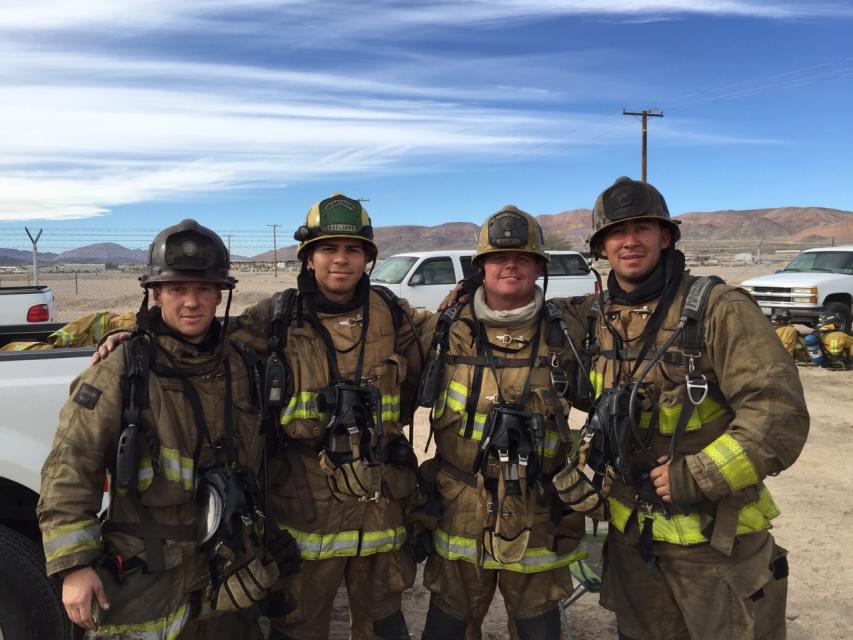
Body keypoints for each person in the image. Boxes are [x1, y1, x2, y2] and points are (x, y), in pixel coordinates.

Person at [552, 177, 810, 639]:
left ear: (665, 236)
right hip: (633, 543)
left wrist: (699, 474)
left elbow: (777, 414)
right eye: (616, 232)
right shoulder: (594, 317)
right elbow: (524, 316)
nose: (630, 240)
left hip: (717, 546)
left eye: (642, 228)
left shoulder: (717, 308)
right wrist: (469, 292)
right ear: (602, 247)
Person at [37, 219, 296, 639]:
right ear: (157, 295)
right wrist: (75, 566)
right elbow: (71, 465)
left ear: (219, 295)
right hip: (146, 576)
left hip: (228, 572)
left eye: (203, 290)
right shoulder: (122, 370)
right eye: (177, 290)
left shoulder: (242, 365)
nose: (191, 303)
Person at [228, 194, 431, 640]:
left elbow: (455, 333)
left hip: (380, 516)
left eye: (353, 249)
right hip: (305, 514)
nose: (341, 260)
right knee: (297, 628)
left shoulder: (393, 315)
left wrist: (471, 296)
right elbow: (202, 334)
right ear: (309, 258)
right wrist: (126, 329)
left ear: (368, 259)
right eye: (328, 249)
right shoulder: (277, 319)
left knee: (384, 628)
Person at [416, 206, 590, 640]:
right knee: (447, 627)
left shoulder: (568, 331)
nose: (510, 265)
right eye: (498, 257)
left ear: (539, 267)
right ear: (481, 269)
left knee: (538, 629)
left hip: (539, 510)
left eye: (523, 257)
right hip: (459, 509)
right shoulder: (444, 329)